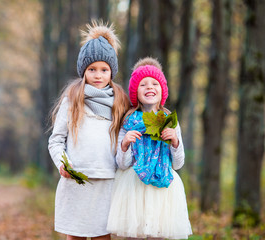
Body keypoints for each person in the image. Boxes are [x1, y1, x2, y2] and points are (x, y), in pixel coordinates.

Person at [48, 21, 130, 240]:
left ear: (112, 71)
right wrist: (62, 162)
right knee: (75, 236)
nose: (98, 75)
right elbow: (56, 140)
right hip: (77, 180)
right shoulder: (73, 100)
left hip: (107, 181)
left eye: (104, 70)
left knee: (102, 236)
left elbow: (124, 140)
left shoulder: (120, 103)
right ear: (83, 71)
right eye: (92, 69)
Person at [106, 57, 192, 239]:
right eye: (143, 84)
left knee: (159, 234)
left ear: (162, 91)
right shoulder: (128, 121)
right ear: (135, 92)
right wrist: (125, 144)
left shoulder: (170, 122)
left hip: (163, 187)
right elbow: (122, 164)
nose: (149, 87)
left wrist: (175, 142)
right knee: (134, 234)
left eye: (155, 83)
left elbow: (178, 164)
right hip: (134, 185)